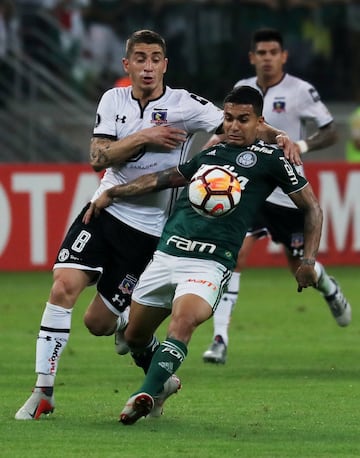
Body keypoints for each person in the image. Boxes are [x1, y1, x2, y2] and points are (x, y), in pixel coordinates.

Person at [15, 29, 292, 421]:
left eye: (155, 59)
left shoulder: (187, 105)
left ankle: (140, 346)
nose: (148, 66)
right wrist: (145, 137)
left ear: (165, 64)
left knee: (98, 323)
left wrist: (282, 138)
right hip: (105, 208)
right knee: (62, 284)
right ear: (126, 64)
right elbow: (98, 157)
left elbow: (240, 124)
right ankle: (43, 390)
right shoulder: (113, 99)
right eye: (140, 59)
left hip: (148, 232)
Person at [83, 85, 323, 424]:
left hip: (210, 262)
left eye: (244, 119)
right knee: (135, 336)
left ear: (260, 122)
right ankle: (164, 383)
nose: (234, 126)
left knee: (183, 322)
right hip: (168, 254)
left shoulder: (273, 160)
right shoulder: (210, 154)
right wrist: (114, 193)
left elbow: (312, 208)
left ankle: (146, 394)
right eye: (228, 118)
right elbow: (165, 179)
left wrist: (308, 261)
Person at [202, 28, 351, 365]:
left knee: (300, 268)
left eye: (273, 52)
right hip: (250, 186)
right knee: (235, 255)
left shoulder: (300, 90)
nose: (267, 58)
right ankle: (220, 339)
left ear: (283, 56)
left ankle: (328, 288)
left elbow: (330, 130)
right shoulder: (243, 89)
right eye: (261, 52)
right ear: (252, 57)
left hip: (286, 189)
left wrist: (303, 144)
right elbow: (225, 127)